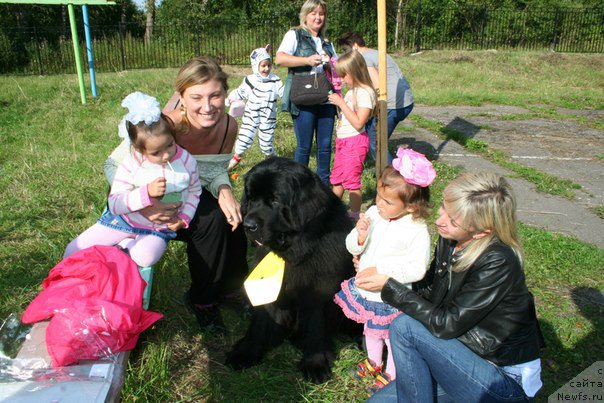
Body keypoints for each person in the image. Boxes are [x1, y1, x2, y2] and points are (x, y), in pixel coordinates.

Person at [359, 172, 545, 402]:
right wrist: (382, 271)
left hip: (502, 378)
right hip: (461, 356)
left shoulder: (498, 261)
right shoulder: (451, 239)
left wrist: (390, 287)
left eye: (453, 220)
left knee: (404, 327)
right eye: (443, 208)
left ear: (481, 232)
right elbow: (427, 291)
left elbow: (446, 324)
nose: (439, 220)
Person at [103, 57, 249, 333]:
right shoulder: (161, 125)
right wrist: (144, 205)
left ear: (225, 94)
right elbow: (112, 165)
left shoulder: (228, 125)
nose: (207, 107)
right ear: (180, 96)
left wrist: (224, 188)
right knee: (211, 222)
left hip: (185, 198)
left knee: (234, 220)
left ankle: (230, 289)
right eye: (197, 97)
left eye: (215, 95)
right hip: (140, 204)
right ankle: (202, 300)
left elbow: (213, 170)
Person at [334, 147, 435, 393]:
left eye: (387, 201)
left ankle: (391, 372)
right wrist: (359, 237)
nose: (379, 203)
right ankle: (373, 362)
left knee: (391, 335)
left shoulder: (416, 229)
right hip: (368, 291)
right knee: (371, 328)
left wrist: (383, 270)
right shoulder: (373, 214)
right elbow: (351, 247)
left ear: (411, 206)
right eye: (379, 196)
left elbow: (417, 268)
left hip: (391, 295)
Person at [64, 92, 201, 268]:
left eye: (170, 145)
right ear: (139, 149)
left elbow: (195, 191)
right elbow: (115, 203)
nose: (166, 155)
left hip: (157, 229)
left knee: (145, 257)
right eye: (156, 153)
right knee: (73, 250)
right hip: (125, 221)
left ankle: (124, 247)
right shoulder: (131, 163)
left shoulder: (187, 160)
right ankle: (118, 246)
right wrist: (146, 193)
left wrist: (184, 218)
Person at [275, 0, 337, 184]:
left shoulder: (327, 42)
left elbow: (338, 67)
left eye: (321, 13)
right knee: (304, 146)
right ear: (305, 15)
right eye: (313, 13)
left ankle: (323, 186)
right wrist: (307, 60)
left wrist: (333, 63)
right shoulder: (295, 35)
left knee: (325, 146)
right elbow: (280, 59)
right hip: (303, 97)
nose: (318, 17)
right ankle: (298, 185)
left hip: (326, 97)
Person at [338, 32, 414, 163]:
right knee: (376, 137)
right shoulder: (376, 53)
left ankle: (388, 176)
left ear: (355, 45)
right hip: (406, 102)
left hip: (391, 105)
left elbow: (378, 87)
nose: (345, 54)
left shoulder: (364, 59)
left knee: (376, 142)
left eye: (346, 50)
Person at [327, 51, 376, 220]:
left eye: (343, 75)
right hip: (343, 142)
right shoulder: (351, 92)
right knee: (337, 179)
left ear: (354, 71)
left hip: (354, 143)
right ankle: (333, 211)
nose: (341, 79)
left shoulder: (365, 93)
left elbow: (358, 123)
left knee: (351, 182)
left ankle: (354, 216)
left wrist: (340, 103)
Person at [226, 45, 284, 171]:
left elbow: (284, 94)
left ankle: (273, 161)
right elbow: (239, 92)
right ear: (255, 65)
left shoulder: (275, 80)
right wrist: (228, 100)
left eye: (269, 65)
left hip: (268, 117)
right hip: (251, 116)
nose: (266, 68)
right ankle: (236, 158)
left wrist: (290, 101)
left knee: (266, 140)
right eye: (263, 66)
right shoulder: (250, 80)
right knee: (244, 137)